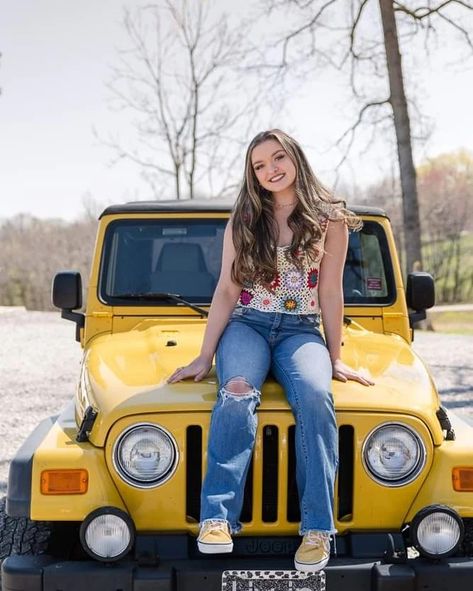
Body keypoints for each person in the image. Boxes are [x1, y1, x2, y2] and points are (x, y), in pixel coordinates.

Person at [168, 129, 374, 572]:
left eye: (277, 158)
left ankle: (317, 529)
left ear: (295, 157)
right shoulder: (244, 218)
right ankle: (216, 519)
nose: (270, 170)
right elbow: (226, 289)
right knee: (237, 389)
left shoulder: (329, 218)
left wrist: (335, 355)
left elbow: (333, 291)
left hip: (302, 330)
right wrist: (204, 357)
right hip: (248, 325)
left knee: (317, 397)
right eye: (259, 165)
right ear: (252, 174)